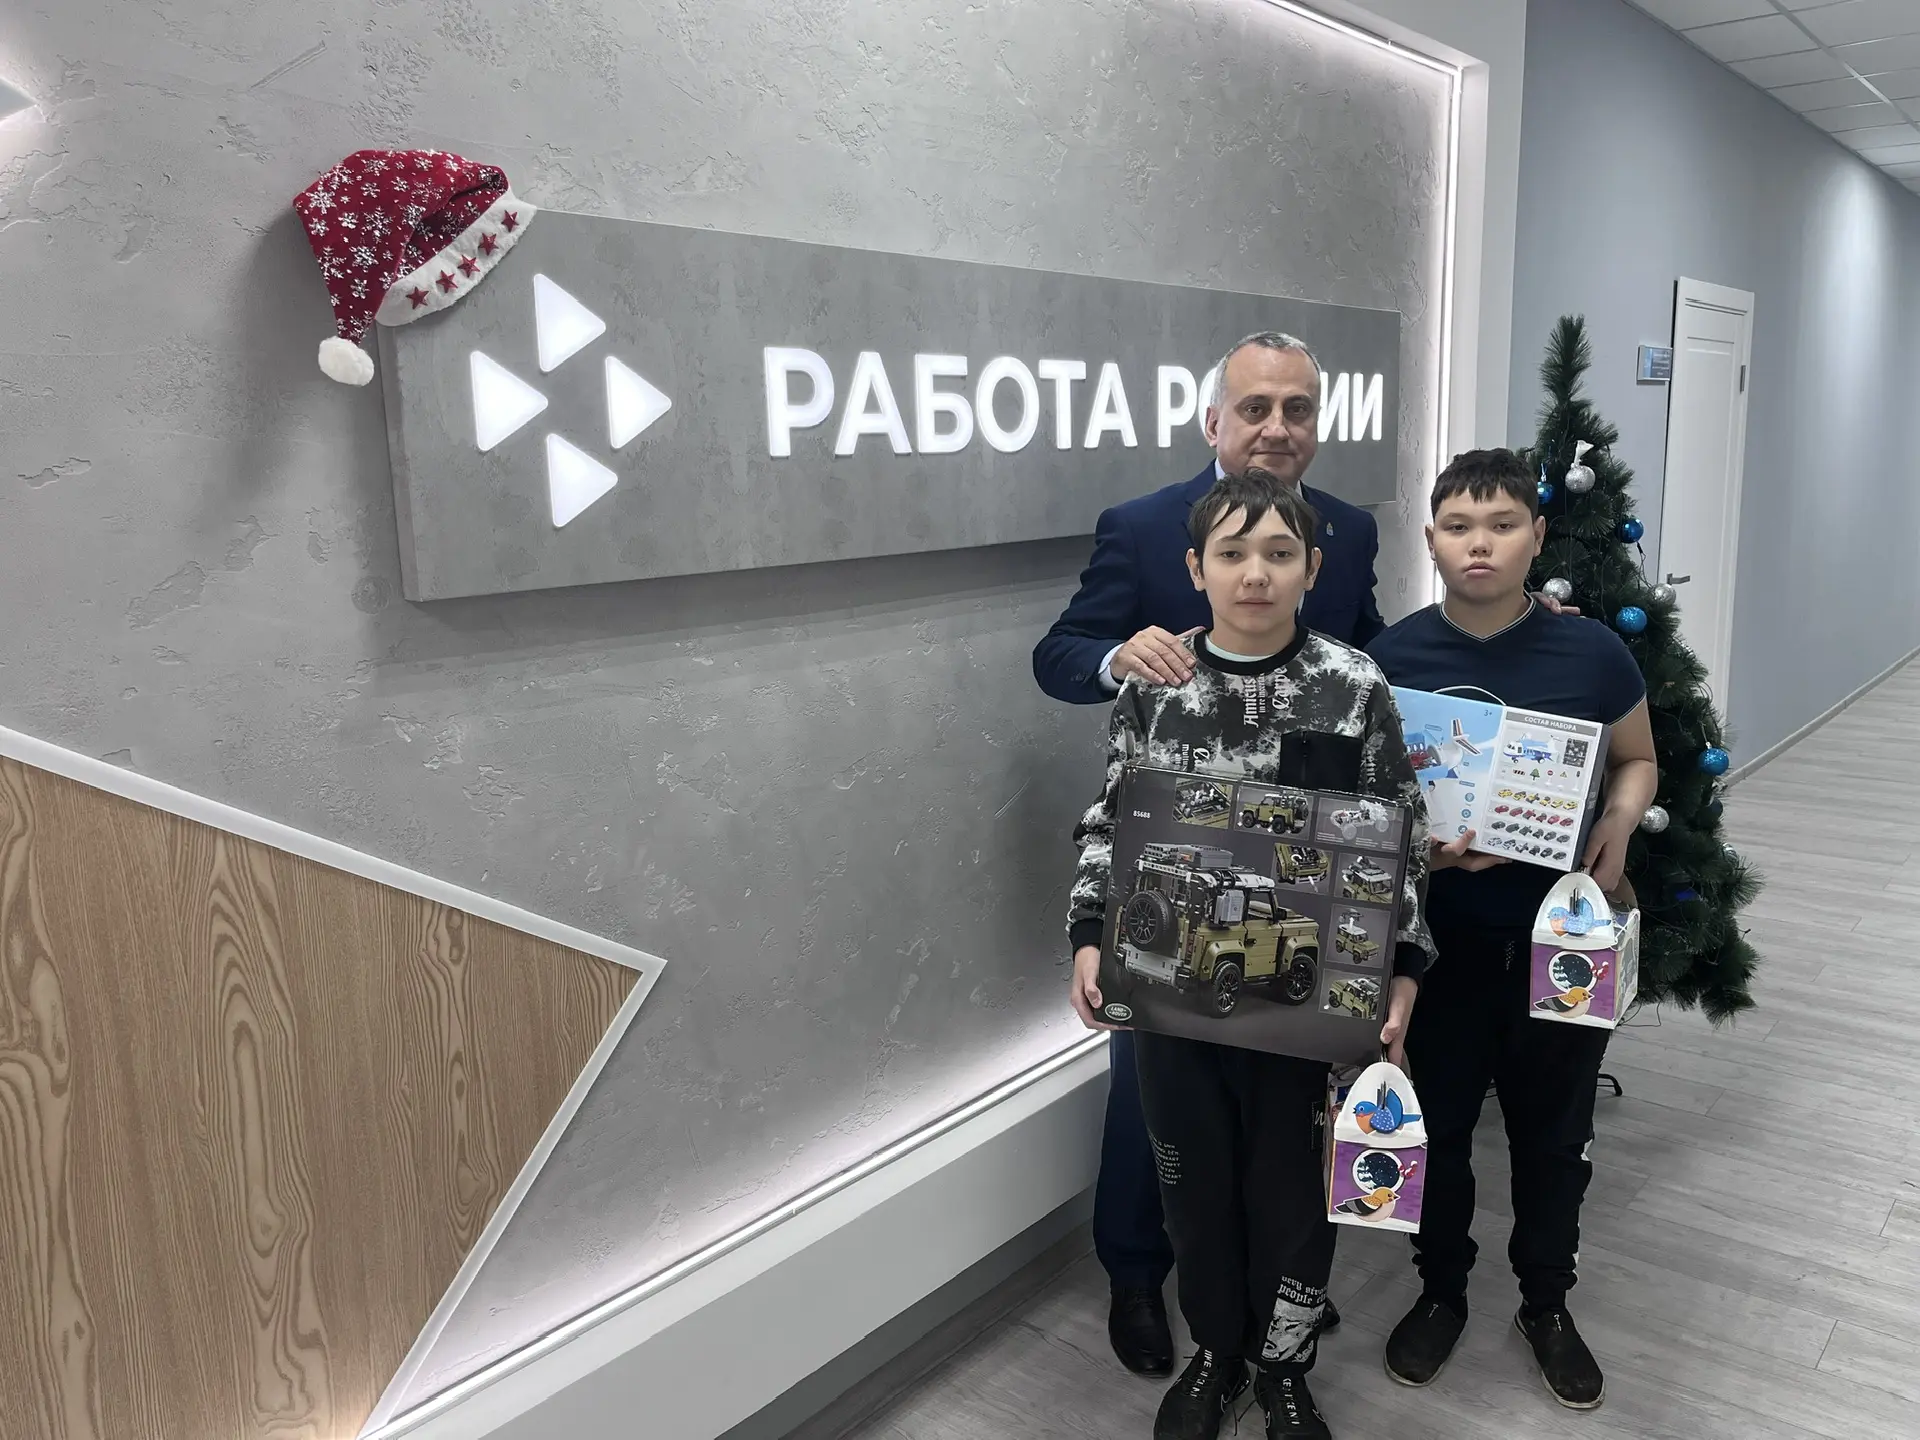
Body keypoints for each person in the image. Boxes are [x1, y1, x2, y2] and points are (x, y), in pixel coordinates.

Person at [1033, 332, 1381, 1376]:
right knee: (1151, 1098)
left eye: (1297, 409)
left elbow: (1371, 654)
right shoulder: (1144, 527)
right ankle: (1138, 1276)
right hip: (1169, 874)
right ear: (1213, 421)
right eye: (1255, 407)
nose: (1277, 427)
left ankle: (1269, 1296)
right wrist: (1116, 654)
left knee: (1284, 1111)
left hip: (1300, 877)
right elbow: (1057, 655)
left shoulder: (1348, 528)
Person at [1065, 469, 1434, 1440]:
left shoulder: (1353, 686)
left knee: (1295, 1197)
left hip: (1310, 1008)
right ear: (1197, 568)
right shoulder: (1157, 687)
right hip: (1175, 1000)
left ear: (1313, 567)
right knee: (1192, 1186)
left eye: (1278, 553)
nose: (1256, 574)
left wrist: (1401, 969)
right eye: (1233, 554)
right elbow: (1111, 820)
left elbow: (1400, 834)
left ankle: (1285, 1367)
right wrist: (1090, 936)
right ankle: (1217, 1352)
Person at [1364, 449, 1657, 1410]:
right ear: (1431, 540)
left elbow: (1637, 758)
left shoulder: (1592, 654)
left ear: (1537, 535)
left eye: (1501, 525)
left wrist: (1618, 821)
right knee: (1439, 1128)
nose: (1479, 544)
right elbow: (1366, 800)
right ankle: (1440, 1291)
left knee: (1554, 1135)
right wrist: (1418, 848)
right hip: (1439, 946)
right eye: (1459, 527)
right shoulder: (1393, 659)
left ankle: (1545, 1303)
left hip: (1561, 942)